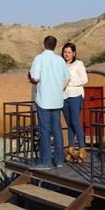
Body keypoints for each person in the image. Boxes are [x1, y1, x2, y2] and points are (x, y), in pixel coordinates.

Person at [28, 36, 70, 170]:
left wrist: (29, 77)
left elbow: (35, 78)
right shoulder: (60, 60)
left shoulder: (39, 58)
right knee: (57, 130)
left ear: (43, 44)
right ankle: (58, 160)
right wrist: (60, 88)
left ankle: (45, 161)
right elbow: (67, 77)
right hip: (57, 100)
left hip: (44, 100)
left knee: (44, 130)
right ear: (55, 46)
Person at [62, 43, 88, 163]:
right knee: (69, 124)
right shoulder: (61, 64)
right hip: (63, 96)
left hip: (75, 95)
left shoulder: (79, 64)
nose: (66, 54)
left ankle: (82, 149)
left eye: (69, 52)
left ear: (74, 53)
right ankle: (71, 149)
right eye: (65, 52)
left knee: (75, 122)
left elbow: (84, 79)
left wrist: (70, 82)